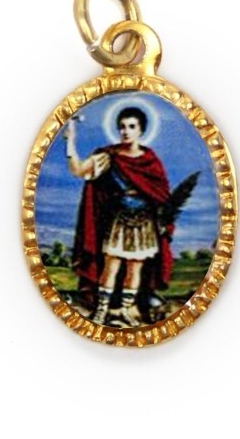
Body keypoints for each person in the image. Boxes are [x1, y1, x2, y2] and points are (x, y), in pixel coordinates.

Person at [65, 106, 173, 326]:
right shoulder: (109, 157)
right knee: (111, 265)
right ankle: (101, 311)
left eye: (131, 127)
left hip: (144, 223)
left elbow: (161, 195)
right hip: (119, 220)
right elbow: (79, 170)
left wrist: (163, 220)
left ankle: (125, 311)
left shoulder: (151, 160)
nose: (125, 131)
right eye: (122, 127)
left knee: (135, 267)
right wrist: (70, 141)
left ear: (140, 130)